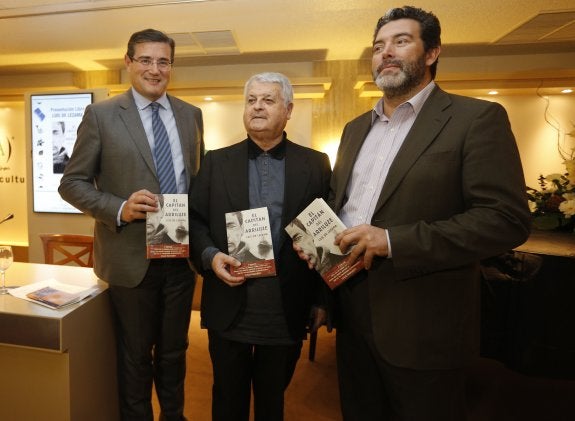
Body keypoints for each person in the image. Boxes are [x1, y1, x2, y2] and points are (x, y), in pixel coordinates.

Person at [300, 6, 531, 420]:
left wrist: (392, 241)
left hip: (424, 326)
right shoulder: (354, 129)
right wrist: (320, 246)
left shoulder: (475, 119)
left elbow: (505, 219)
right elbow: (342, 206)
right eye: (378, 46)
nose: (386, 53)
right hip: (351, 314)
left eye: (401, 41)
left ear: (432, 52)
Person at [59, 28, 204, 421]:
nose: (155, 69)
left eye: (163, 61)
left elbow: (197, 181)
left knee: (175, 352)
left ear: (171, 66)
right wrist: (120, 207)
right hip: (129, 259)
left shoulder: (190, 115)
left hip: (180, 256)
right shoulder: (102, 115)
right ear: (128, 62)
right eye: (145, 60)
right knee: (136, 357)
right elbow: (71, 183)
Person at [189, 72, 332, 421]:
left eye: (268, 100)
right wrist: (210, 256)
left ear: (288, 110)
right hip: (229, 305)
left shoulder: (316, 164)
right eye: (251, 100)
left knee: (272, 402)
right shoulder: (215, 162)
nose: (257, 106)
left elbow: (326, 232)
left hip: (286, 308)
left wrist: (321, 299)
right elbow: (193, 221)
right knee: (227, 401)